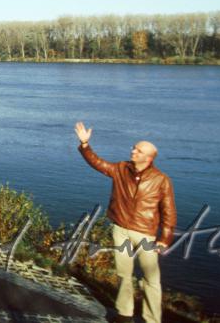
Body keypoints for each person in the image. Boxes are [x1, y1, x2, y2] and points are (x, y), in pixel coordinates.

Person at [75, 122, 177, 323]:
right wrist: (85, 145)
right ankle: (124, 314)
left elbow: (169, 210)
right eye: (134, 147)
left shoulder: (161, 180)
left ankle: (152, 319)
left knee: (151, 280)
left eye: (138, 150)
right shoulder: (121, 169)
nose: (133, 151)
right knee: (124, 274)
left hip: (146, 234)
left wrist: (165, 238)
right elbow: (98, 163)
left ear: (148, 158)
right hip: (120, 229)